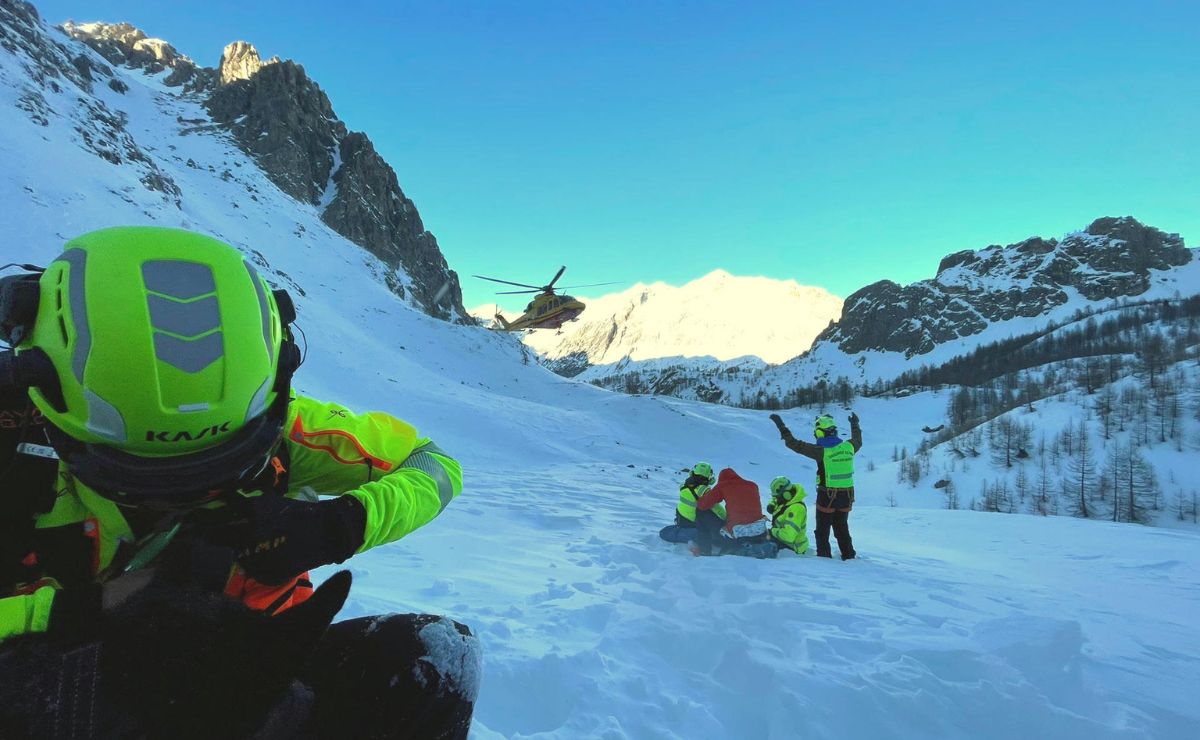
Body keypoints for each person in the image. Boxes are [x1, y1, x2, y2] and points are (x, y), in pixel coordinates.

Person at [0, 227, 477, 738]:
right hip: (59, 688)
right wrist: (87, 612)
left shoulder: (283, 426)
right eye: (131, 473)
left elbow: (432, 464)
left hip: (255, 678)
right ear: (45, 405)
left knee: (435, 660)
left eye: (218, 468)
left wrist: (342, 524)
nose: (176, 496)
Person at [769, 412, 862, 560]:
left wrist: (781, 427)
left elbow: (794, 444)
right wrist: (854, 424)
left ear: (820, 432)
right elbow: (858, 440)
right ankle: (849, 556)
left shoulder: (821, 451)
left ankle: (824, 559)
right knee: (841, 527)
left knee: (822, 531)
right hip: (847, 497)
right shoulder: (849, 447)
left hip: (827, 496)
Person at [693, 467, 771, 557]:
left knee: (701, 512)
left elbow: (703, 505)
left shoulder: (723, 485)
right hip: (760, 532)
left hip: (737, 534)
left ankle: (704, 551)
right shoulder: (753, 485)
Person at [659, 462, 725, 544]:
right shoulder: (704, 490)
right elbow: (716, 507)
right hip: (695, 521)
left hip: (681, 519)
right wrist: (726, 518)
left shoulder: (684, 485)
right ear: (709, 476)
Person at [766, 476, 809, 555]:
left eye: (778, 497)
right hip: (782, 539)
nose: (777, 499)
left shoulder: (796, 509)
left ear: (786, 494)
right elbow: (775, 500)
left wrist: (772, 531)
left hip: (793, 547)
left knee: (761, 546)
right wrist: (771, 504)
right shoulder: (788, 499)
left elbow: (789, 536)